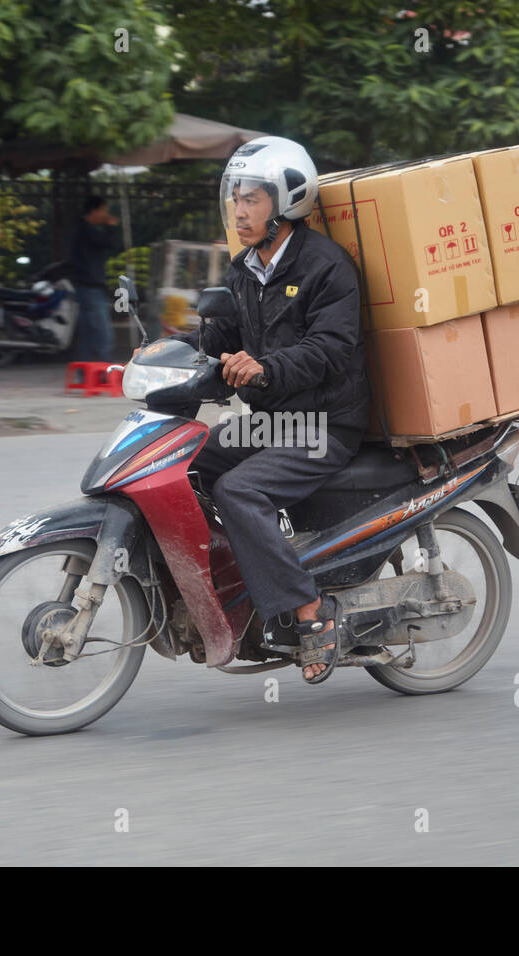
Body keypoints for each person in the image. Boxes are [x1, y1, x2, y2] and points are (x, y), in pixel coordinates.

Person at [172, 136, 371, 684]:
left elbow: (331, 350)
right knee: (185, 465)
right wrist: (168, 354)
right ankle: (233, 583)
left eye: (253, 199)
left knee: (241, 490)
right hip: (273, 421)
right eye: (236, 197)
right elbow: (217, 336)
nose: (239, 211)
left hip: (324, 424)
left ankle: (312, 613)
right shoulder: (244, 270)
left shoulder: (327, 268)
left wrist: (265, 369)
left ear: (286, 203)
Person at [68, 195, 120, 362]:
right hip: (90, 288)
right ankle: (104, 372)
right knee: (102, 335)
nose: (106, 214)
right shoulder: (86, 230)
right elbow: (108, 243)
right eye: (104, 210)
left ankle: (86, 373)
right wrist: (111, 227)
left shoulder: (82, 229)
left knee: (88, 334)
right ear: (95, 211)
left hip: (85, 287)